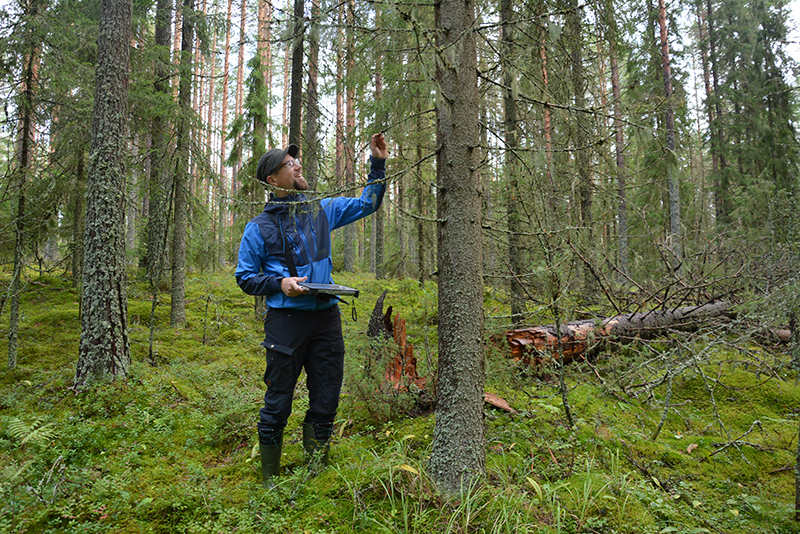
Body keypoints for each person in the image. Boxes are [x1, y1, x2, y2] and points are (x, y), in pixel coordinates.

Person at [235, 133, 388, 487]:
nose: (297, 165)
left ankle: (316, 470)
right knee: (278, 400)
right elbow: (245, 277)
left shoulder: (321, 210)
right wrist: (279, 284)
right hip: (285, 322)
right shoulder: (258, 228)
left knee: (327, 394)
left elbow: (369, 203)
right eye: (289, 164)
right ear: (273, 180)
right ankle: (270, 478)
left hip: (326, 318)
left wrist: (377, 163)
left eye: (296, 161)